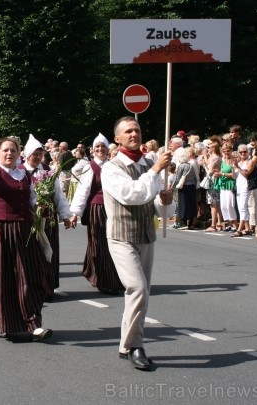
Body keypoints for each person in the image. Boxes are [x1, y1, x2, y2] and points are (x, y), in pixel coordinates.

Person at [0, 128, 53, 342]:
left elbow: (31, 199)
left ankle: (34, 324)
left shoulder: (24, 174)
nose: (9, 153)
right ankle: (2, 322)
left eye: (13, 150)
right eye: (5, 150)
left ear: (19, 153)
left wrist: (40, 207)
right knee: (0, 278)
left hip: (23, 230)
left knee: (29, 276)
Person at [101, 116, 173, 371]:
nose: (134, 134)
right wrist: (155, 171)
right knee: (137, 288)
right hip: (121, 236)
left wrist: (165, 200)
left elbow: (155, 206)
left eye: (137, 130)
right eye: (128, 131)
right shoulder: (111, 168)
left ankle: (125, 344)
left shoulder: (149, 163)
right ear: (117, 138)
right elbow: (131, 195)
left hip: (146, 234)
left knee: (141, 293)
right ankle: (135, 345)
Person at [70, 133, 124, 295]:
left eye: (103, 147)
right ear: (93, 150)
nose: (100, 149)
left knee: (115, 243)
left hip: (113, 208)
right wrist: (75, 213)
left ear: (108, 149)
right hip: (97, 208)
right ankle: (102, 279)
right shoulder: (90, 167)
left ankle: (114, 278)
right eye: (97, 147)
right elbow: (83, 191)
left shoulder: (114, 166)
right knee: (98, 243)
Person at [23, 134, 75, 298]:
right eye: (34, 154)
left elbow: (59, 195)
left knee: (49, 251)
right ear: (27, 154)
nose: (37, 157)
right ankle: (31, 288)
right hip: (29, 218)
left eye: (40, 154)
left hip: (48, 217)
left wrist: (66, 215)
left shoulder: (49, 172)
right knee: (31, 253)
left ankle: (47, 287)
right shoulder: (20, 172)